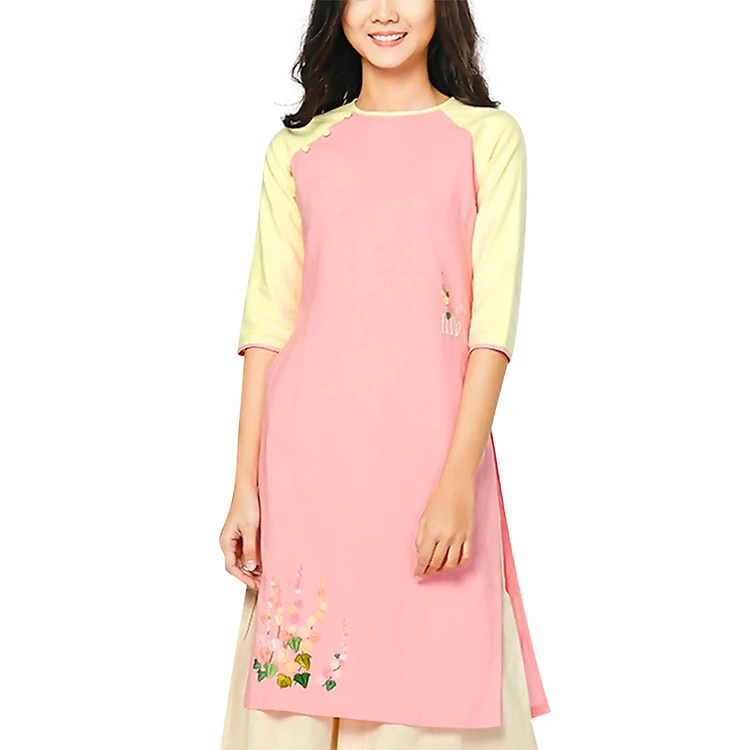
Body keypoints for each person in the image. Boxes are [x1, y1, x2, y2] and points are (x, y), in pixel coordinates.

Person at [219, 1, 550, 747]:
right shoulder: (299, 149)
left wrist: (457, 482)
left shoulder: (487, 139)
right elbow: (267, 327)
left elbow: (491, 331)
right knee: (299, 692)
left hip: (430, 463)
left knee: (434, 684)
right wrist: (245, 486)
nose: (386, 12)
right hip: (308, 468)